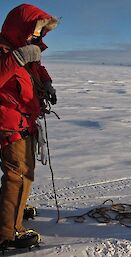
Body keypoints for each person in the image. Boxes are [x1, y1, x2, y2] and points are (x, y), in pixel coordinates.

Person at [0, 4, 58, 249]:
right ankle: (8, 234)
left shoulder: (20, 51)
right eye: (36, 30)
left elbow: (35, 68)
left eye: (41, 32)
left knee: (20, 175)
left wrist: (46, 82)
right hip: (10, 124)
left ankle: (14, 210)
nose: (38, 36)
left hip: (22, 121)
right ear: (22, 27)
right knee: (19, 176)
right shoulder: (6, 52)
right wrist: (17, 59)